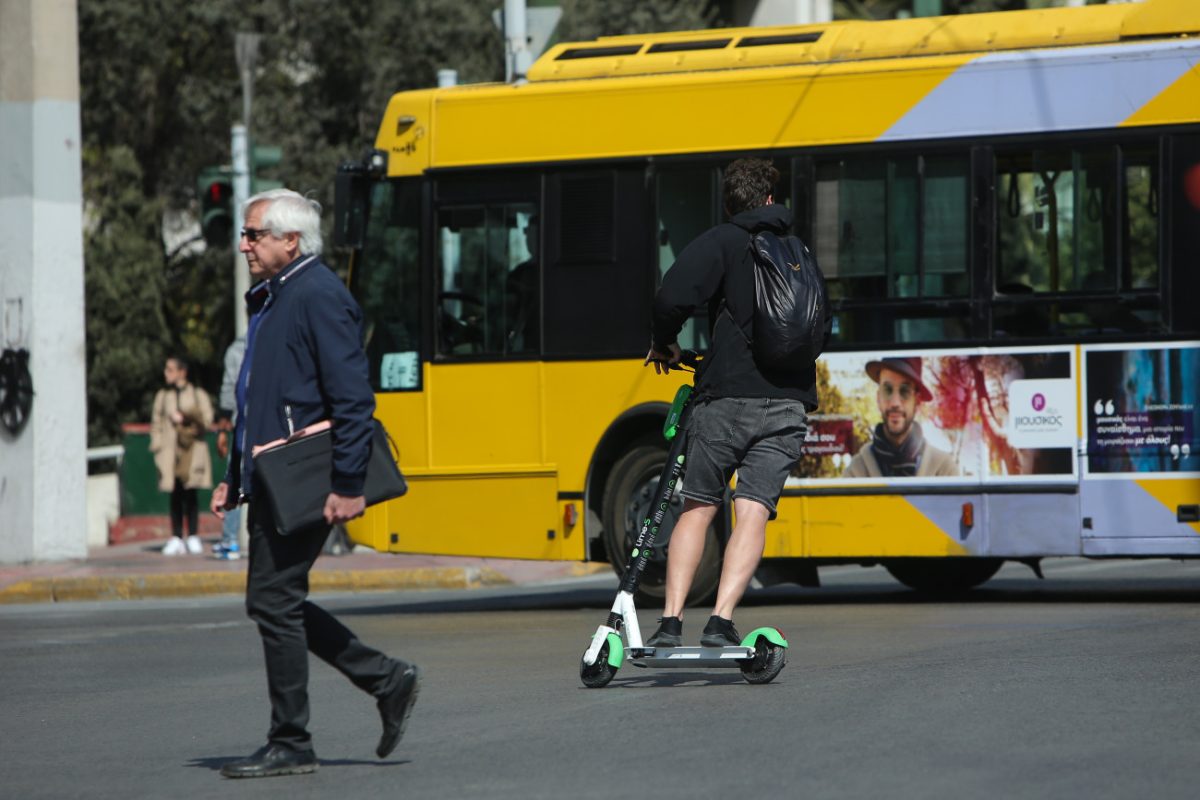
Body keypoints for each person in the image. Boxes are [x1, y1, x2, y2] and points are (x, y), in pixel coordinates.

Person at [210, 189, 420, 779]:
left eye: (254, 234)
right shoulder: (275, 298)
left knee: (273, 600)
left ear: (290, 241)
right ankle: (385, 679)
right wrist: (235, 476)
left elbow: (353, 399)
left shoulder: (319, 295)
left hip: (308, 477)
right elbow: (258, 398)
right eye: (246, 235)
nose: (243, 244)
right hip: (274, 476)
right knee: (275, 600)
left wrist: (349, 483)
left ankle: (294, 739)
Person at [644, 158, 829, 649]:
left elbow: (670, 299)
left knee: (699, 507)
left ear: (729, 203)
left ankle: (670, 623)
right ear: (771, 199)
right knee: (752, 510)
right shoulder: (800, 250)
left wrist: (666, 342)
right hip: (788, 404)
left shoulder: (722, 241)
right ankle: (722, 620)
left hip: (725, 399)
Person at [842, 356, 960, 478]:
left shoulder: (944, 470)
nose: (895, 403)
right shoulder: (856, 472)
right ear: (878, 399)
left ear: (917, 402)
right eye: (887, 390)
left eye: (905, 391)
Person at [150, 356, 213, 556]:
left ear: (182, 372)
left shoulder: (197, 393)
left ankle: (193, 535)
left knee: (190, 491)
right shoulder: (163, 396)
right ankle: (176, 536)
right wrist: (157, 445)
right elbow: (156, 422)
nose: (166, 373)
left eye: (170, 369)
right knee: (174, 493)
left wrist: (185, 417)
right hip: (171, 451)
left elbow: (207, 419)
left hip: (191, 449)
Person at [212, 335, 245, 560]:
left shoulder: (237, 349)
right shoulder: (281, 336)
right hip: (278, 423)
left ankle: (230, 540)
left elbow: (229, 386)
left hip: (244, 422)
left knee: (236, 479)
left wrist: (223, 427)